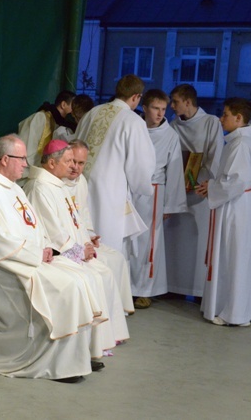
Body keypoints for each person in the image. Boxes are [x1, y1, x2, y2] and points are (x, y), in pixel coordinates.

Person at [0, 134, 103, 383]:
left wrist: (46, 247)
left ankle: (76, 354)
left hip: (25, 259)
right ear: (5, 159)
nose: (26, 164)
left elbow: (37, 226)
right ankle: (58, 361)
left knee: (80, 276)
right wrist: (37, 253)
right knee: (68, 284)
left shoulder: (13, 188)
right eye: (21, 158)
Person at [23, 139, 129, 350]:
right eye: (69, 161)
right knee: (95, 276)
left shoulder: (57, 185)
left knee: (104, 273)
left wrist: (86, 241)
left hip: (72, 250)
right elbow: (53, 230)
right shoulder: (40, 187)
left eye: (76, 162)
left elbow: (76, 220)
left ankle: (103, 340)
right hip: (56, 253)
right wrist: (80, 250)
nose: (73, 167)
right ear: (52, 163)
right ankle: (88, 344)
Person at [194, 98, 251, 326]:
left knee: (235, 259)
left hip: (237, 206)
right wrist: (211, 186)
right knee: (233, 257)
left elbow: (236, 181)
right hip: (236, 203)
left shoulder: (241, 144)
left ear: (238, 118)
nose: (221, 119)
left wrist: (211, 187)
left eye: (225, 115)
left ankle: (234, 313)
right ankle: (228, 307)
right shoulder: (237, 141)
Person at [75, 74, 156, 251]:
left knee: (83, 240)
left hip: (79, 186)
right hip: (110, 193)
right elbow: (141, 164)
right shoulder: (133, 121)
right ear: (136, 97)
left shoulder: (91, 113)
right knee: (106, 244)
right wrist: (144, 186)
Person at [126, 90, 187, 309]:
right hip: (130, 189)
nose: (160, 113)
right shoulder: (135, 127)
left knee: (148, 242)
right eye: (155, 108)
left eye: (163, 109)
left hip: (153, 191)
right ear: (145, 107)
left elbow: (175, 170)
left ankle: (144, 289)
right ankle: (126, 287)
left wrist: (171, 203)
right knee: (128, 239)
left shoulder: (169, 135)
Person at [165, 84, 224, 297]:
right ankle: (173, 287)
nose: (172, 106)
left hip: (200, 191)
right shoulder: (173, 126)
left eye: (175, 101)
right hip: (179, 190)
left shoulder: (211, 123)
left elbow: (215, 155)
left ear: (188, 102)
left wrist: (204, 182)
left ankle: (198, 291)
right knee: (175, 242)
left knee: (197, 244)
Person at [63, 139, 135, 314]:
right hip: (66, 245)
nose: (76, 168)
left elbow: (84, 213)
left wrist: (89, 235)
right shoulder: (54, 183)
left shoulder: (80, 182)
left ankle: (115, 314)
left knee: (117, 258)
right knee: (104, 264)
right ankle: (99, 315)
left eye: (81, 163)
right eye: (72, 162)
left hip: (82, 239)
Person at [18, 90, 76, 179]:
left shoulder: (58, 124)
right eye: (73, 106)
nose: (74, 111)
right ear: (63, 104)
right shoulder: (40, 117)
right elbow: (27, 148)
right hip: (28, 174)